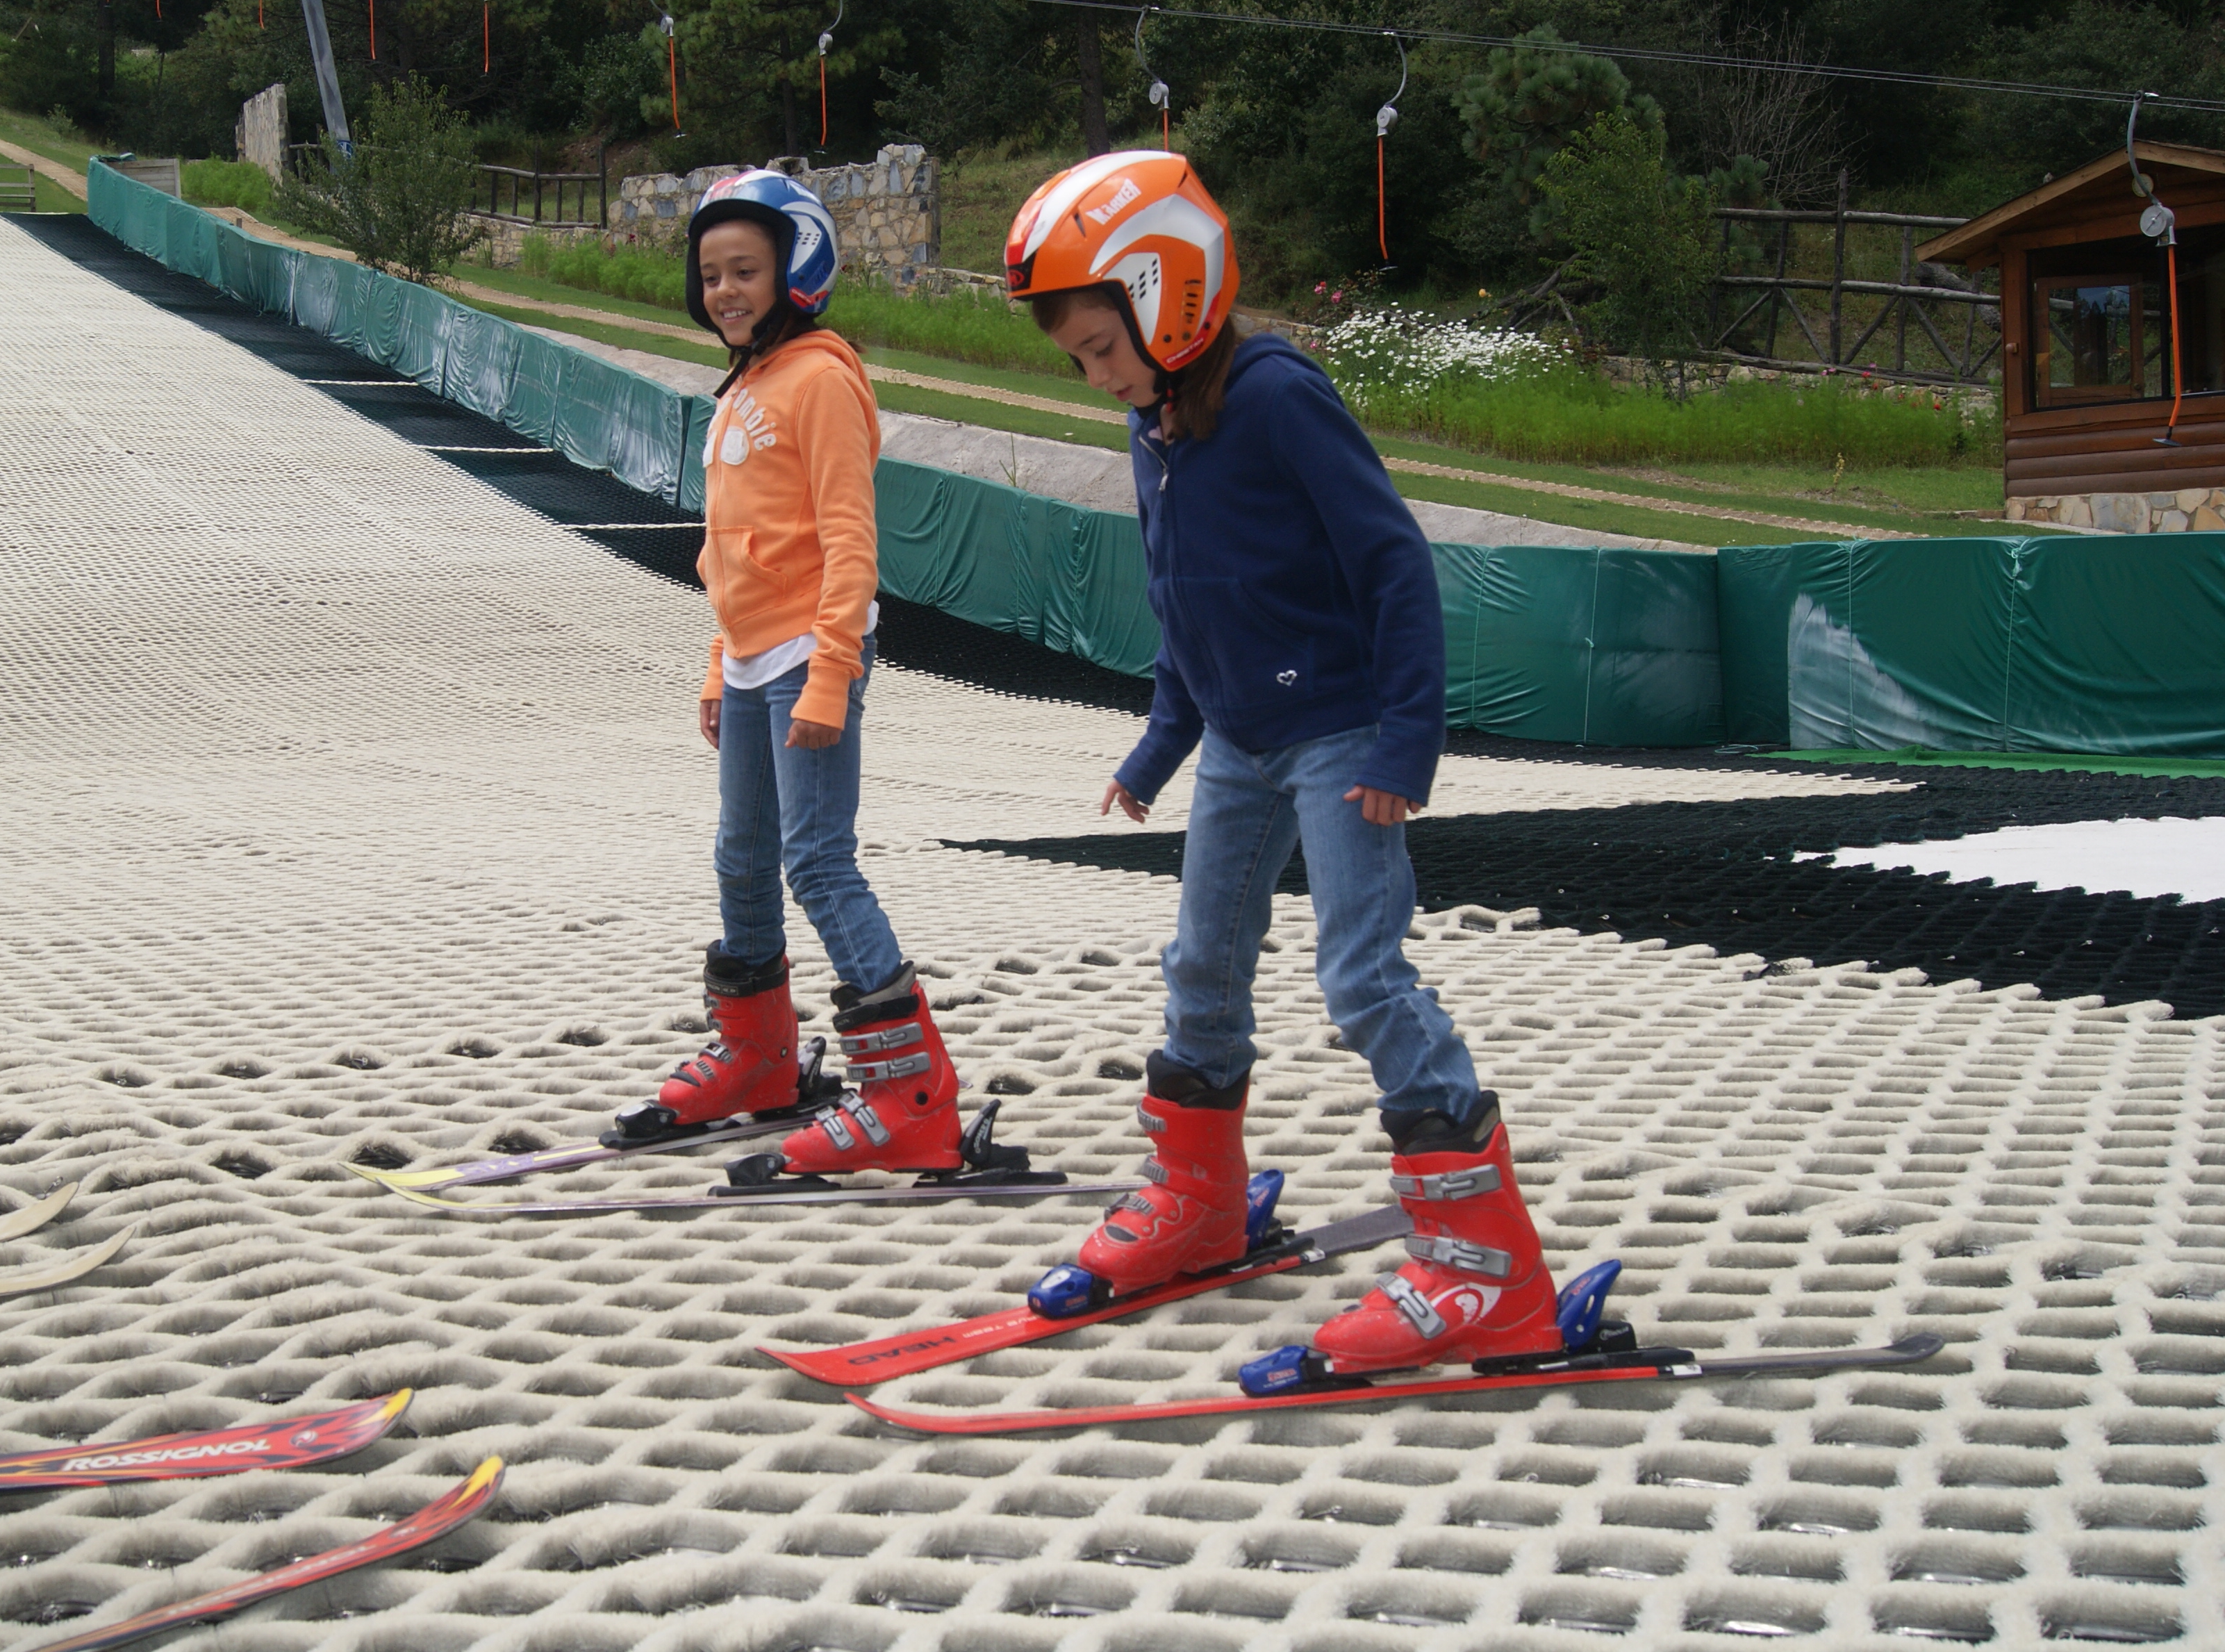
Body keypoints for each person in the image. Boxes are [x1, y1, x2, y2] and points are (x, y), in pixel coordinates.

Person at [1006, 151, 1557, 1373]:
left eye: (1102, 345)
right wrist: (1160, 743)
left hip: (1348, 735)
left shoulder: (1272, 395)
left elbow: (1394, 563)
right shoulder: (1159, 428)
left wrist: (1410, 736)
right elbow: (1185, 601)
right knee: (1201, 961)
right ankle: (1198, 1202)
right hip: (1246, 742)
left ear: (1171, 294)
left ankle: (1488, 1268)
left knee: (1361, 976)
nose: (1095, 377)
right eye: (1080, 357)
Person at [625, 170, 963, 1181]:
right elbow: (732, 553)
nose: (726, 290)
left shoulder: (820, 378)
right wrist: (716, 665)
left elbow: (850, 546)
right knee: (741, 858)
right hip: (750, 658)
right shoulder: (744, 387)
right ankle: (763, 1060)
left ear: (796, 272)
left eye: (747, 271)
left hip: (812, 658)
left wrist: (831, 672)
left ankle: (911, 1095)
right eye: (712, 274)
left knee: (818, 863)